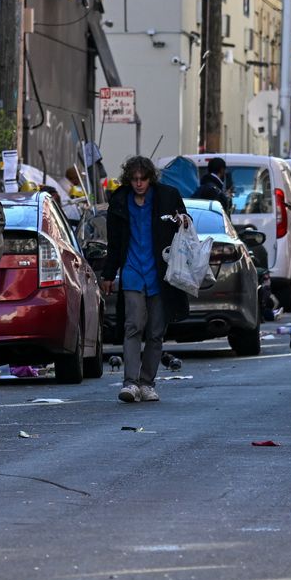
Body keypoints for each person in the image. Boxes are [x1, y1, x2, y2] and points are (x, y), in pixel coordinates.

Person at [100, 154, 189, 403]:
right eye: (135, 179)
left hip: (160, 272)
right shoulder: (119, 200)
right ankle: (130, 383)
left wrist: (182, 220)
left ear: (151, 178)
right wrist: (108, 274)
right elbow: (114, 242)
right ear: (129, 179)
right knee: (133, 326)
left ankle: (147, 383)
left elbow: (186, 220)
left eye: (143, 179)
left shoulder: (167, 196)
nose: (139, 183)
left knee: (155, 331)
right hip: (131, 271)